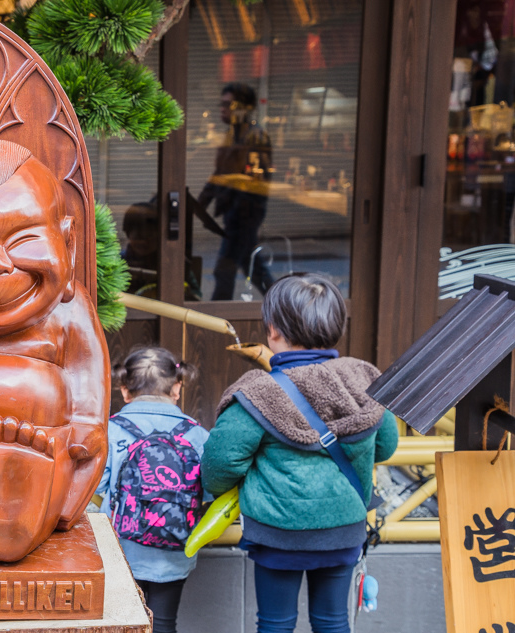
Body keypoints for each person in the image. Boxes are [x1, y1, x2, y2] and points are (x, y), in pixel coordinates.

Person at [201, 274, 398, 633]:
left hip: (277, 532)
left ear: (272, 329)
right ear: (336, 328)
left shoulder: (256, 393)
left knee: (275, 623)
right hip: (343, 527)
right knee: (334, 622)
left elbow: (220, 463)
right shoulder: (363, 381)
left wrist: (227, 494)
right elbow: (386, 446)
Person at [96, 347, 208, 633]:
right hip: (175, 548)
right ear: (177, 388)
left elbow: (95, 484)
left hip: (121, 548)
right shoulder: (195, 433)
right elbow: (208, 490)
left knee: (122, 623)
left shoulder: (111, 430)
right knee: (165, 622)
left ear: (124, 390)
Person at [193, 82, 274, 300]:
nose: (223, 109)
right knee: (253, 267)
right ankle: (283, 304)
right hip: (234, 214)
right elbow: (220, 174)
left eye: (229, 105)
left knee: (224, 269)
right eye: (222, 104)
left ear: (246, 108)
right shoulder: (232, 135)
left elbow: (257, 182)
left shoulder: (255, 137)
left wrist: (241, 215)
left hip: (245, 214)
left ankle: (218, 320)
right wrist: (199, 204)